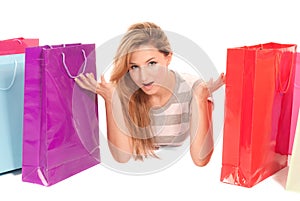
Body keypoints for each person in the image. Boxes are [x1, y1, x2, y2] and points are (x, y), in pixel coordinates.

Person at [75, 22, 225, 166]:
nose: (144, 77)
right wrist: (110, 99)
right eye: (134, 67)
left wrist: (199, 99)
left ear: (168, 57)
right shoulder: (125, 91)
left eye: (152, 63)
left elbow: (201, 160)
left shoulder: (194, 88)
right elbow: (122, 157)